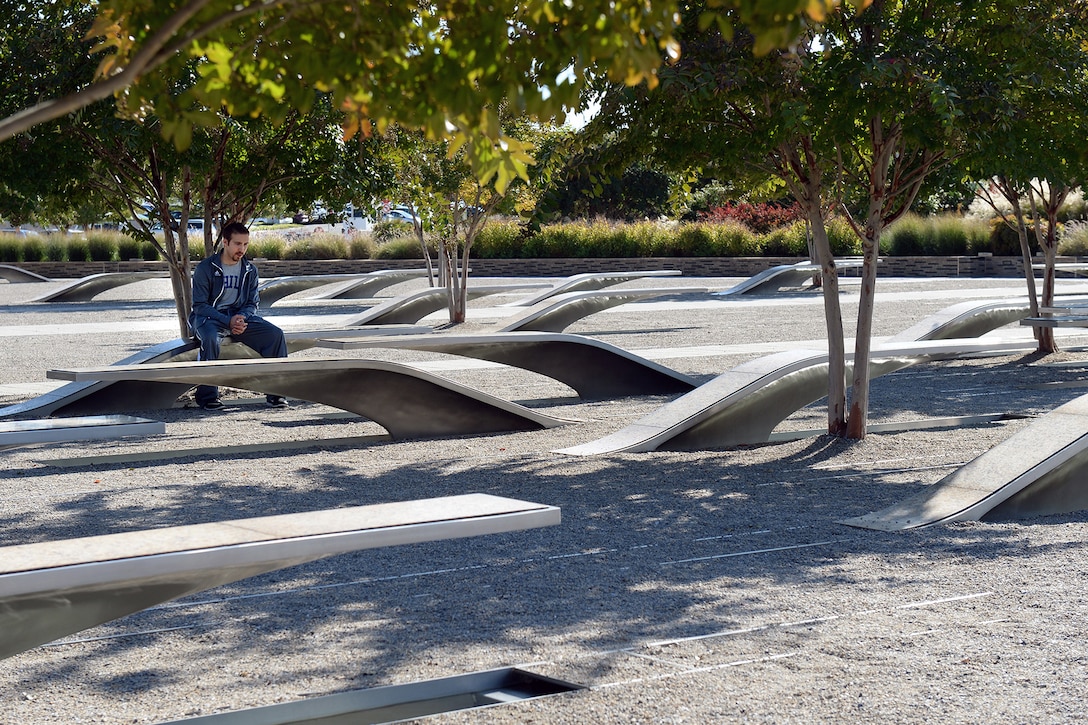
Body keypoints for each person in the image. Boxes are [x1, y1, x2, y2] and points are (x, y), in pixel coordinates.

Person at [188, 221, 289, 410]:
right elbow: (200, 306)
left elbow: (253, 303)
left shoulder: (250, 270)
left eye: (245, 244)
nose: (242, 249)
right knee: (209, 339)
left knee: (275, 335)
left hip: (239, 318)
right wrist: (228, 320)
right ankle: (207, 396)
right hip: (210, 319)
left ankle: (277, 394)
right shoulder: (206, 268)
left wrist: (241, 317)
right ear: (225, 242)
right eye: (237, 244)